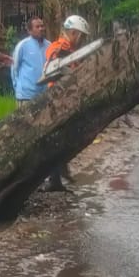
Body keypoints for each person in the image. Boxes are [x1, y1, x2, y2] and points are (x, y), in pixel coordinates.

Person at [41, 15, 92, 191]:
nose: (82, 40)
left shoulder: (72, 52)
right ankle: (53, 178)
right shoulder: (59, 47)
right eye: (81, 36)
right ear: (73, 33)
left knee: (64, 140)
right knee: (56, 140)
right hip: (57, 97)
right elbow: (52, 62)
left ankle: (59, 174)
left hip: (67, 97)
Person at [9, 16, 48, 104]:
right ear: (29, 31)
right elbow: (14, 68)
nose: (41, 29)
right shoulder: (22, 46)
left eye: (42, 26)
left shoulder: (49, 46)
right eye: (37, 27)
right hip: (26, 96)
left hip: (44, 95)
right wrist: (18, 88)